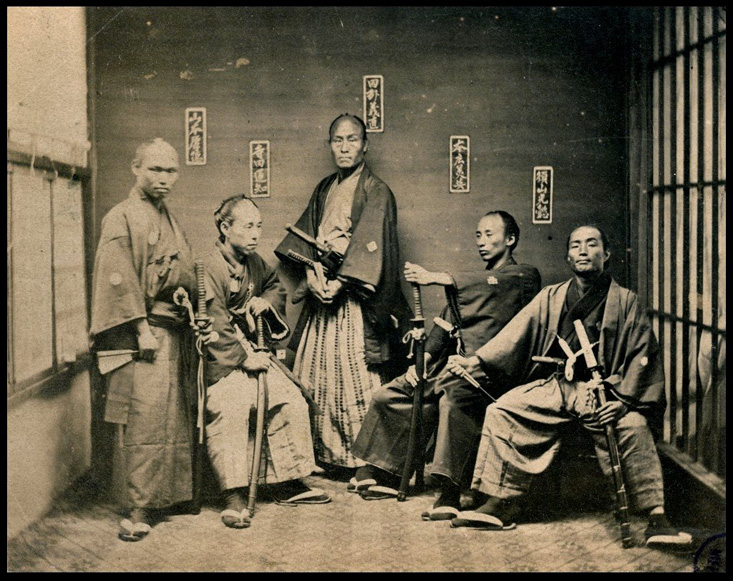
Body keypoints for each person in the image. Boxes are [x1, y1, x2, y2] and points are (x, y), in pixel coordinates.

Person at [447, 225, 691, 548]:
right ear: (568, 257)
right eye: (576, 246)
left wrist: (623, 402)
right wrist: (476, 361)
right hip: (560, 384)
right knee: (502, 409)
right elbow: (515, 334)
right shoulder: (552, 296)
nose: (583, 251)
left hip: (604, 389)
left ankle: (656, 517)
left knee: (633, 425)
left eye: (592, 244)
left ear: (606, 254)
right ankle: (501, 502)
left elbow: (641, 355)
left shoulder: (626, 301)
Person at [351, 211, 541, 519]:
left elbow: (490, 285)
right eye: (478, 235)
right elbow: (443, 326)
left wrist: (439, 278)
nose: (482, 241)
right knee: (392, 393)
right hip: (454, 369)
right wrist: (423, 362)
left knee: (452, 400)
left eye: (490, 234)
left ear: (510, 239)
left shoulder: (522, 278)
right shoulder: (468, 290)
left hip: (493, 374)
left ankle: (450, 490)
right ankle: (385, 470)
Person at [274, 114, 412, 475]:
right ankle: (325, 457)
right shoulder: (325, 188)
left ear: (365, 145)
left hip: (354, 298)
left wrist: (340, 282)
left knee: (357, 377)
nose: (345, 147)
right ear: (330, 145)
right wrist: (311, 273)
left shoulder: (376, 190)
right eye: (338, 140)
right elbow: (305, 240)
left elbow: (373, 246)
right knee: (315, 375)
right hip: (322, 291)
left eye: (352, 139)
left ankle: (367, 462)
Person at [200, 195, 330, 529]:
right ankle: (233, 492)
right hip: (220, 357)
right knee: (232, 404)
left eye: (258, 226)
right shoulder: (210, 267)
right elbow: (214, 321)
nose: (256, 233)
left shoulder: (254, 262)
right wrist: (243, 359)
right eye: (247, 226)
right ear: (225, 227)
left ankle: (287, 480)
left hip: (253, 349)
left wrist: (264, 302)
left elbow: (274, 287)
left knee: (290, 398)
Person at [89, 138, 196, 542]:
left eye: (171, 170)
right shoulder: (121, 216)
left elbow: (182, 270)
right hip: (144, 334)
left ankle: (166, 497)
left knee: (171, 417)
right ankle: (139, 506)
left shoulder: (167, 216)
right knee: (143, 417)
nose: (164, 178)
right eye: (155, 169)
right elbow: (118, 278)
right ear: (136, 168)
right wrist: (141, 330)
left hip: (172, 330)